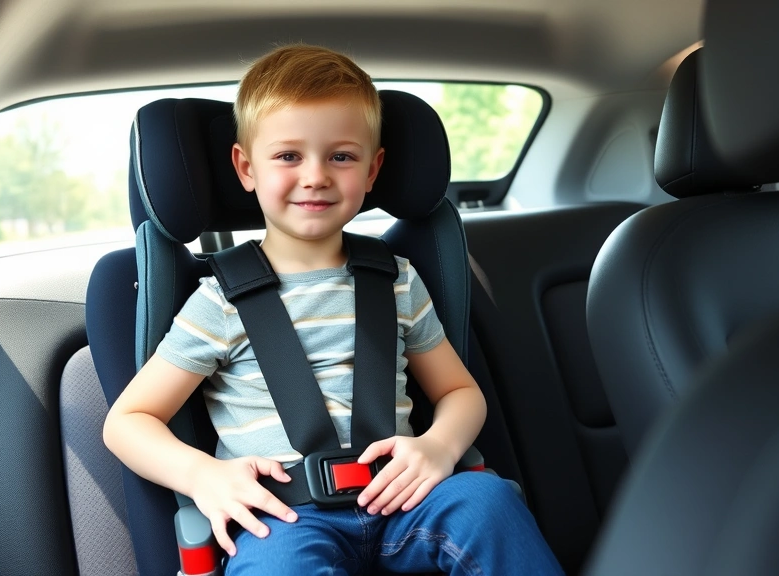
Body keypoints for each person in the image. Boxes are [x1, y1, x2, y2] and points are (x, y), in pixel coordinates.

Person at [103, 44, 563, 575]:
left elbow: (459, 392)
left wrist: (439, 445)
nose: (316, 175)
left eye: (341, 156)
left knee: (490, 502)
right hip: (284, 516)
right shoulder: (219, 302)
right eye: (288, 156)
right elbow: (129, 421)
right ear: (246, 167)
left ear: (373, 170)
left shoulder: (399, 280)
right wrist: (204, 476)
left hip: (405, 501)